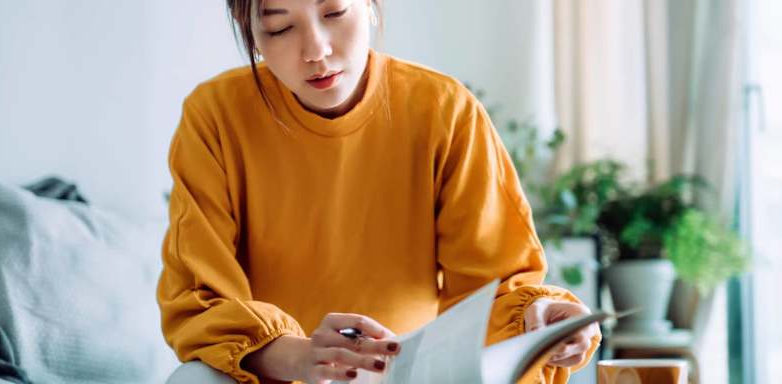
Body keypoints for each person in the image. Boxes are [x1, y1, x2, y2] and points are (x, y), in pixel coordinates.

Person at [158, 0, 601, 383]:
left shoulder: (445, 111)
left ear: (370, 5)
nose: (316, 50)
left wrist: (536, 320)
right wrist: (303, 356)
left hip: (407, 376)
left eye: (333, 12)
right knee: (195, 378)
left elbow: (494, 286)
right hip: (275, 372)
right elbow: (200, 299)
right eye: (280, 27)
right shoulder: (215, 116)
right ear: (253, 35)